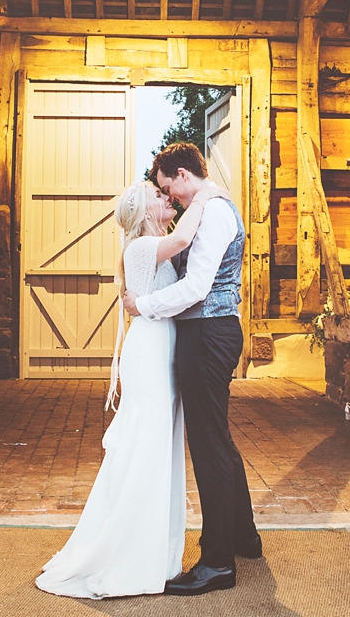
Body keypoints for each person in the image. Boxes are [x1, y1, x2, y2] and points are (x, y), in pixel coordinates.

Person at [35, 179, 228, 599]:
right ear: (143, 213)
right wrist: (206, 195)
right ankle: (129, 554)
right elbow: (183, 237)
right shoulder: (141, 247)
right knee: (147, 445)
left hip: (163, 347)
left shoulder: (150, 245)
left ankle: (156, 552)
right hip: (150, 352)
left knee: (160, 445)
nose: (167, 199)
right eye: (159, 197)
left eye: (166, 194)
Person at [124, 143, 261, 597]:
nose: (171, 198)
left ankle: (217, 561)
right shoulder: (204, 209)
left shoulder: (214, 212)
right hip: (205, 334)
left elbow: (198, 286)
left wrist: (141, 305)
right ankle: (244, 537)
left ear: (182, 175)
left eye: (169, 189)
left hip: (207, 334)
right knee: (216, 438)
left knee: (207, 447)